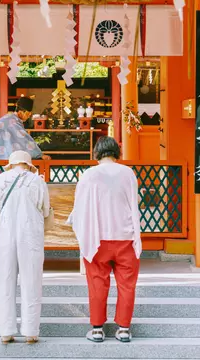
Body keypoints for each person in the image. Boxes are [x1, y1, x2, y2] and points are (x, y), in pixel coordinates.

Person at [68, 136, 142, 343]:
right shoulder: (128, 173)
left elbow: (80, 205)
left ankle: (98, 328)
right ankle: (124, 329)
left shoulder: (90, 174)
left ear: (97, 152)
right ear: (116, 153)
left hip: (97, 238)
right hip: (125, 237)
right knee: (127, 285)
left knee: (97, 283)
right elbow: (135, 200)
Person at [0, 150, 50, 344]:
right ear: (28, 164)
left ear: (12, 164)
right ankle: (31, 331)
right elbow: (46, 210)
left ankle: (6, 331)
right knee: (32, 280)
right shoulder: (38, 181)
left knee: (5, 281)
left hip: (5, 234)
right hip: (31, 235)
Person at [0, 96, 50, 160]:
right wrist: (39, 155)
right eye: (28, 114)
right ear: (21, 112)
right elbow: (23, 140)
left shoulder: (8, 118)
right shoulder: (12, 122)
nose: (29, 116)